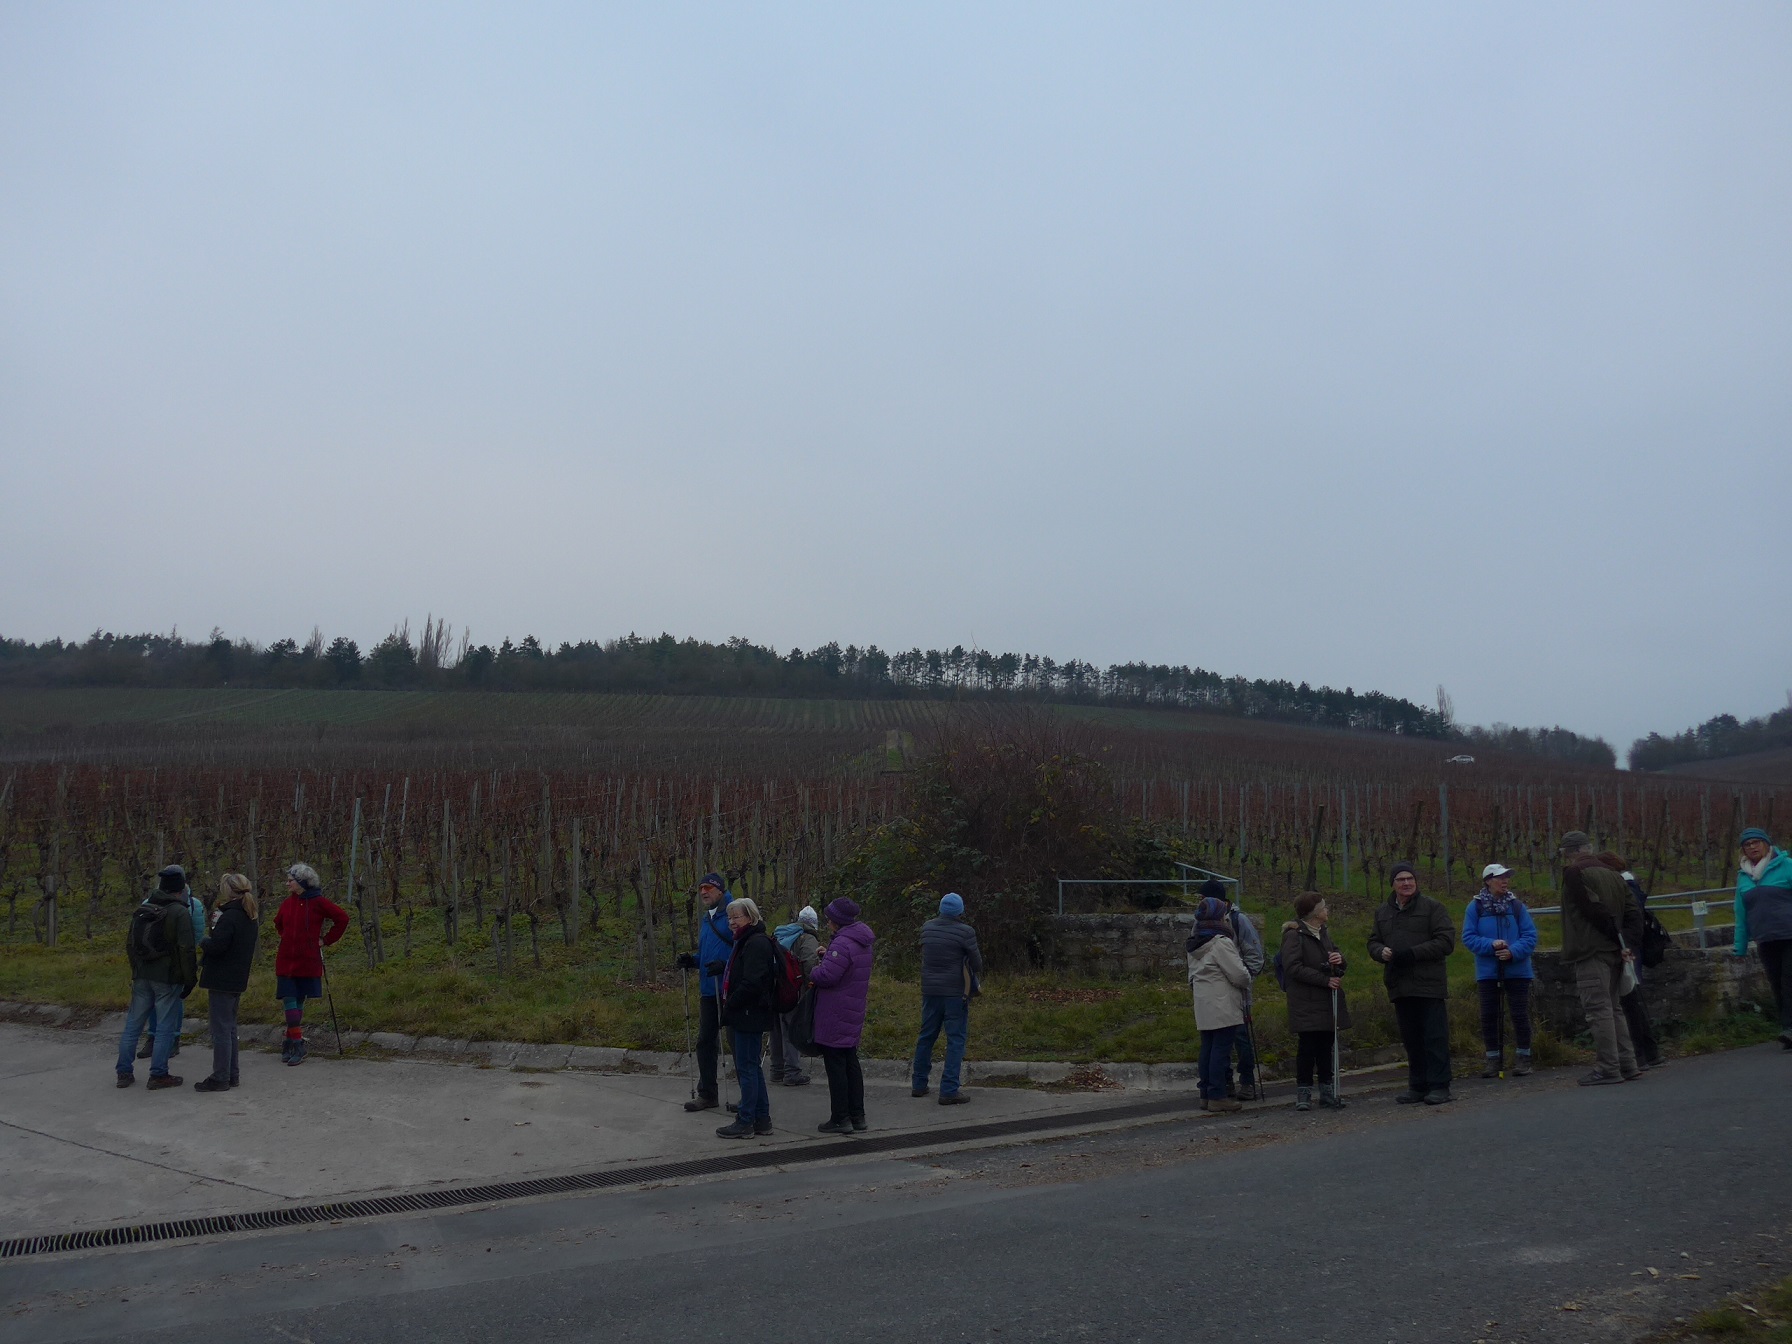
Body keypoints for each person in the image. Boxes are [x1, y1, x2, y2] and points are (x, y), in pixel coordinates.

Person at [1559, 831, 1644, 1084]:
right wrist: (1625, 943)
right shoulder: (1613, 873)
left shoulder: (1574, 873)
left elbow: (1592, 909)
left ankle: (1608, 1068)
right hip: (1615, 952)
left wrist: (1616, 938)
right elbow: (1634, 912)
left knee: (1599, 1010)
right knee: (1615, 1008)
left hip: (1591, 950)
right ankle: (1628, 1064)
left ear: (1570, 851)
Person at [1368, 861, 1457, 1105]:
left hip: (1429, 984)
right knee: (1412, 1039)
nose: (1406, 883)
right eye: (1401, 879)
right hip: (1400, 984)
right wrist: (1380, 952)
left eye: (1410, 879)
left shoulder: (1433, 907)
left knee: (1434, 1037)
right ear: (1393, 884)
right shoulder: (1382, 912)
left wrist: (1413, 953)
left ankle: (1440, 1086)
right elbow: (1373, 941)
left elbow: (1445, 942)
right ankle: (1417, 1086)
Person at [115, 865, 199, 1089]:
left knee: (133, 1025)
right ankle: (158, 1074)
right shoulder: (180, 912)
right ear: (181, 889)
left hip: (142, 975)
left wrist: (137, 969)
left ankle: (123, 1072)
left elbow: (130, 944)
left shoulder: (144, 909)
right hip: (167, 978)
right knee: (164, 1027)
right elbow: (186, 949)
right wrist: (190, 979)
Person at [1461, 863, 1538, 1079]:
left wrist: (1512, 952)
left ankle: (1524, 1057)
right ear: (1488, 881)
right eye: (1499, 877)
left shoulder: (1517, 906)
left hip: (1518, 970)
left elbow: (1530, 936)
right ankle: (1493, 1059)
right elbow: (1468, 937)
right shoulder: (1475, 908)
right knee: (1489, 1015)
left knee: (1519, 1014)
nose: (1505, 881)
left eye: (1506, 877)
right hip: (1488, 971)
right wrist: (1491, 945)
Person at [271, 863, 348, 1066]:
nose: (287, 883)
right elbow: (278, 923)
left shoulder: (318, 902)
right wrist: (288, 938)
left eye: (291, 880)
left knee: (298, 1000)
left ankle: (289, 1041)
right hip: (286, 960)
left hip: (307, 960)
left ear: (303, 883)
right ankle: (297, 1044)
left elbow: (342, 918)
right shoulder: (287, 903)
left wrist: (325, 940)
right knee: (289, 998)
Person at [810, 897, 875, 1134]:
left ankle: (840, 1117)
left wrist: (813, 970)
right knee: (850, 1062)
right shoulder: (862, 940)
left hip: (835, 1011)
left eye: (829, 918)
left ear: (836, 920)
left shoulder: (842, 943)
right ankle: (858, 1115)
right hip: (853, 1008)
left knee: (835, 1064)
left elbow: (828, 976)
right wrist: (828, 956)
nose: (827, 922)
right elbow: (847, 967)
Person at [1279, 891, 1349, 1110]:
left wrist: (1339, 960)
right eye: (1324, 907)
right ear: (1315, 913)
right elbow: (1292, 967)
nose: (1327, 910)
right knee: (1307, 1047)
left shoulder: (1323, 933)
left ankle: (1327, 1092)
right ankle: (1304, 1093)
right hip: (1306, 1001)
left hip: (1326, 1000)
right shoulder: (1294, 936)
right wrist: (1324, 980)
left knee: (1326, 1046)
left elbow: (1336, 959)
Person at [912, 892, 982, 1105]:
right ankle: (949, 1089)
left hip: (930, 990)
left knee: (926, 1036)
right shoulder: (966, 932)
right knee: (955, 1039)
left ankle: (919, 1084)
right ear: (960, 911)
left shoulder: (927, 928)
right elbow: (977, 964)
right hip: (955, 993)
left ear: (941, 909)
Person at [715, 898, 777, 1139]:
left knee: (747, 1068)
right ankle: (761, 1118)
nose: (732, 922)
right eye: (729, 918)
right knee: (752, 1066)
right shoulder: (747, 940)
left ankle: (746, 1120)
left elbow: (753, 981)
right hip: (748, 1011)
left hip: (749, 1013)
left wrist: (731, 1002)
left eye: (736, 917)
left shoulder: (756, 943)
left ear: (750, 918)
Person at [195, 873, 260, 1092]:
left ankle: (221, 1075)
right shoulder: (249, 915)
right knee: (230, 1027)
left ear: (228, 891)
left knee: (221, 1029)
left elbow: (218, 946)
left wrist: (204, 941)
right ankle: (232, 1074)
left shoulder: (229, 917)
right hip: (237, 977)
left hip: (221, 978)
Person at [134, 866, 206, 1062]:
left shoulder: (192, 904)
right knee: (160, 1001)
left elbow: (195, 934)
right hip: (158, 959)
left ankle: (171, 1038)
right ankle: (156, 1037)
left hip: (168, 961)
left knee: (173, 1001)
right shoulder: (189, 904)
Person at [1187, 894, 1251, 1113]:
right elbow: (1239, 975)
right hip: (1223, 1002)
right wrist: (1246, 977)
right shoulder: (1221, 943)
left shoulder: (1195, 943)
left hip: (1203, 1001)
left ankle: (1205, 1093)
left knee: (1207, 1047)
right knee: (1221, 1050)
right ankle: (1217, 1095)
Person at [678, 873, 736, 1112]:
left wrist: (726, 965)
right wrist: (693, 961)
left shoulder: (734, 914)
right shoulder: (707, 918)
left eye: (708, 888)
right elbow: (707, 954)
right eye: (701, 888)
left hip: (732, 990)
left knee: (737, 1043)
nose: (703, 892)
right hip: (709, 989)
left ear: (720, 890)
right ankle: (707, 1093)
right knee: (705, 1042)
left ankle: (750, 1098)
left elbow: (747, 951)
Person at [1734, 826, 1792, 1050]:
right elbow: (1741, 915)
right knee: (1776, 984)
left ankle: (1789, 1029)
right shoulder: (1744, 877)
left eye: (1756, 842)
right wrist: (1740, 947)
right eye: (1747, 845)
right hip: (1765, 938)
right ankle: (1787, 1028)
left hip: (1789, 934)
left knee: (1789, 982)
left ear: (1766, 844)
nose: (1752, 847)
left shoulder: (1786, 866)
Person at [1604, 853, 1664, 1069]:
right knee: (1633, 1000)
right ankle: (1649, 1052)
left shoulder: (1625, 888)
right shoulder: (1630, 886)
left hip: (1627, 949)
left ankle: (1640, 1054)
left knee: (1629, 1002)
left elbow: (1631, 919)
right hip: (1631, 947)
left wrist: (1625, 945)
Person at [769, 905, 822, 1087]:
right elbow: (810, 965)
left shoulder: (782, 934)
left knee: (776, 1030)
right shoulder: (808, 938)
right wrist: (812, 988)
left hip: (775, 989)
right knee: (790, 1030)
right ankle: (792, 1072)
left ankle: (776, 1070)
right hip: (793, 992)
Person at [1222, 884, 1265, 1100]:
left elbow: (1255, 956)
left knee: (1241, 1037)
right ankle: (1226, 1082)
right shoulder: (1203, 923)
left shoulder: (1239, 921)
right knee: (1220, 1040)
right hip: (1217, 993)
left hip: (1239, 992)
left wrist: (1243, 979)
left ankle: (1247, 1082)